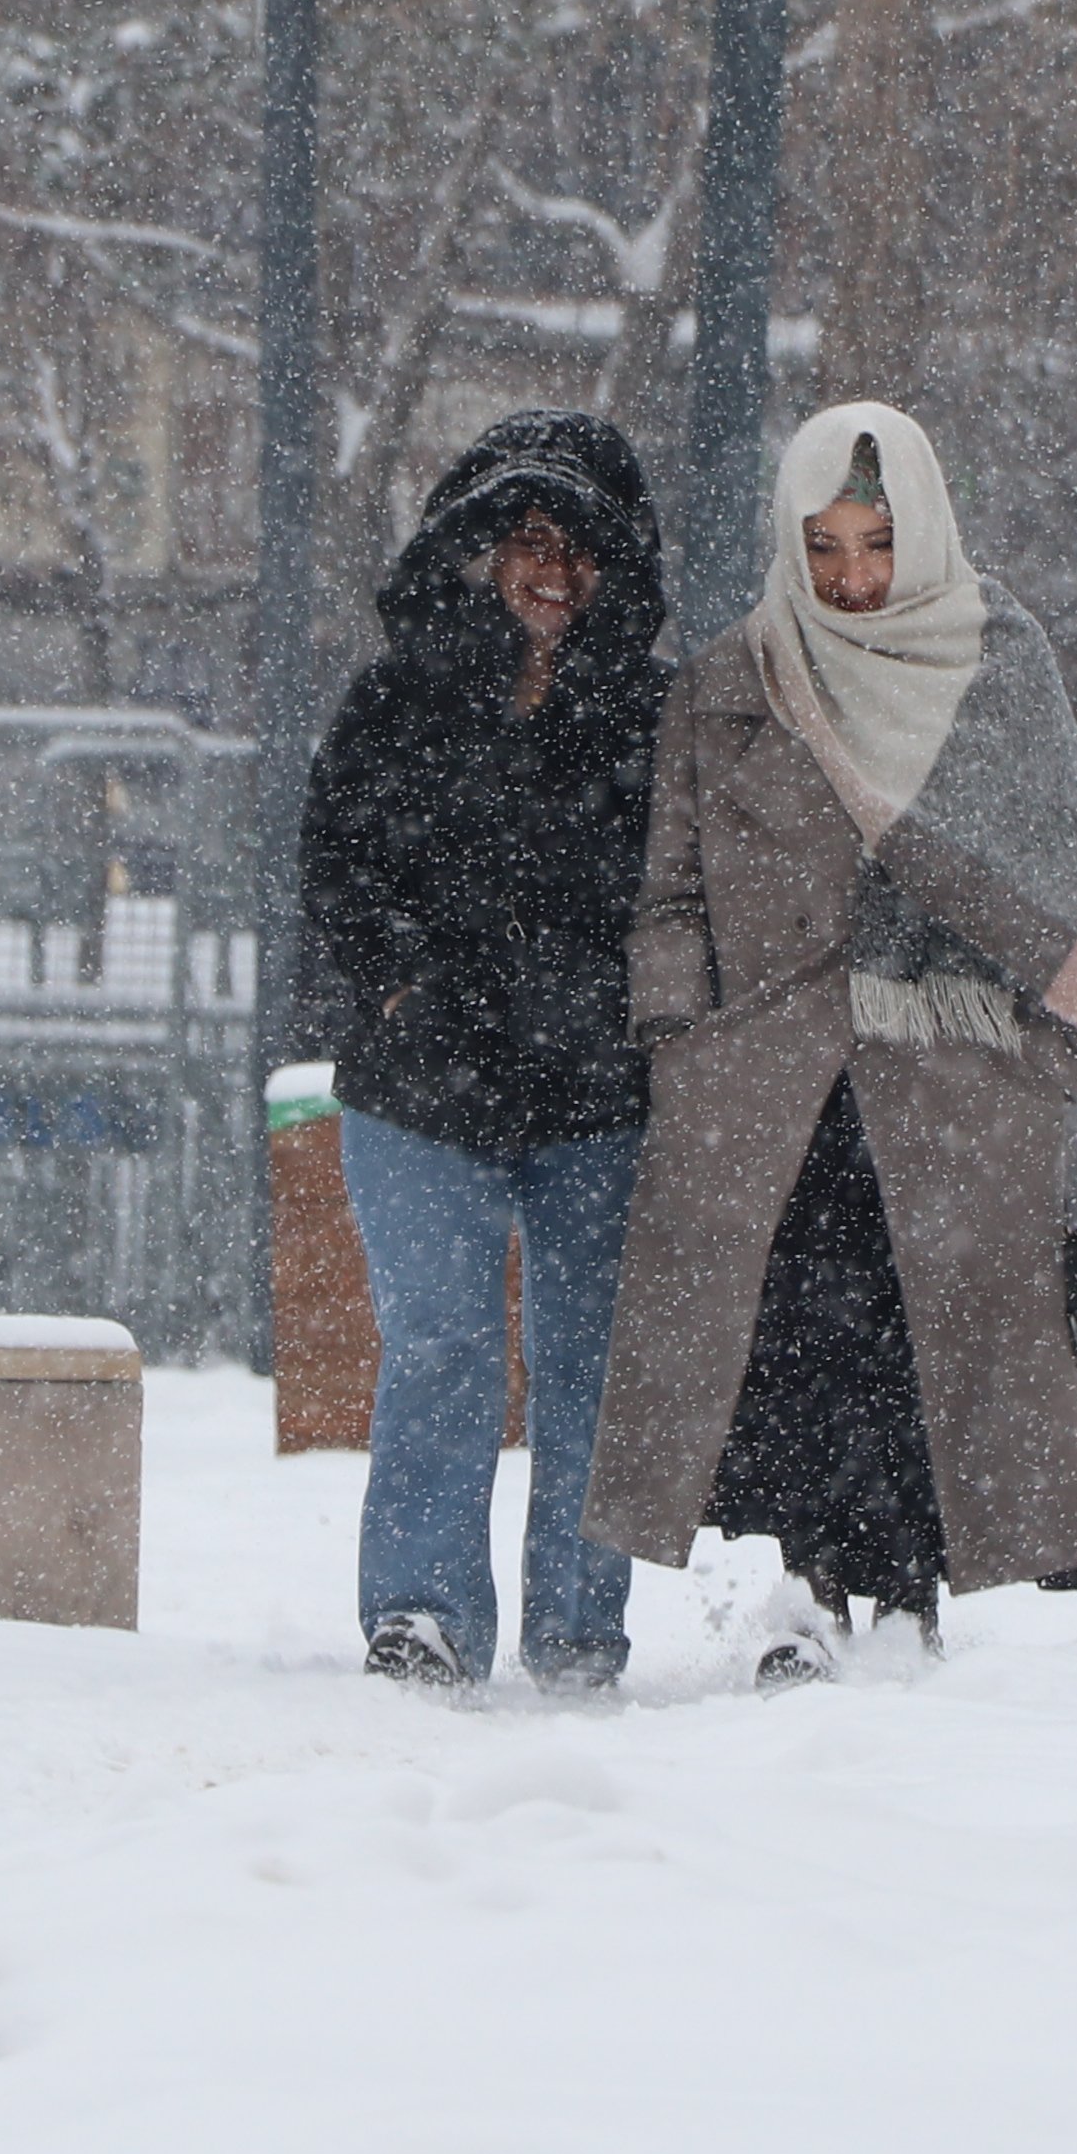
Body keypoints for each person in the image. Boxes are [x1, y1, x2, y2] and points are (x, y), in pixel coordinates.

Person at [589, 402, 1077, 1675]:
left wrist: (1045, 1040)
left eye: (875, 542)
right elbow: (673, 888)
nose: (852, 575)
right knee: (790, 1336)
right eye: (823, 546)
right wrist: (679, 1034)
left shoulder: (994, 661)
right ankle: (813, 1590)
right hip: (767, 1070)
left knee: (929, 1332)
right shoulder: (731, 677)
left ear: (920, 529)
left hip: (953, 1073)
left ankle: (908, 1588)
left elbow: (1060, 870)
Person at [298, 411, 673, 1692]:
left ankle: (580, 1627)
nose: (550, 568)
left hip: (599, 1093)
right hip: (421, 1093)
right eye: (525, 538)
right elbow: (336, 864)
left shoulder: (651, 710)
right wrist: (401, 986)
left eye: (576, 545)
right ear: (480, 551)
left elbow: (686, 888)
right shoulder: (401, 691)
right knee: (442, 1346)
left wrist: (638, 1016)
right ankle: (422, 1611)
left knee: (590, 1361)